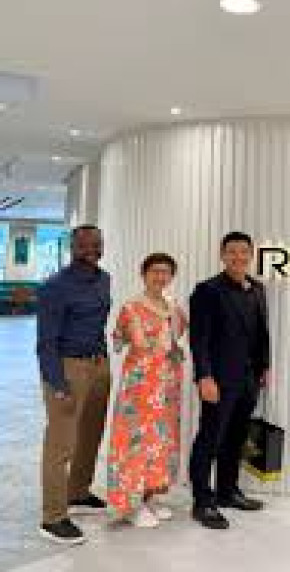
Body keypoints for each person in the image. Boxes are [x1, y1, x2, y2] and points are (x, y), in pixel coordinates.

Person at [189, 231, 271, 530]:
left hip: (249, 378)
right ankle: (202, 501)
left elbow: (262, 332)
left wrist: (265, 366)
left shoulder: (257, 289)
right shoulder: (207, 290)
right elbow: (199, 339)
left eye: (243, 251)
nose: (238, 257)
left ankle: (228, 491)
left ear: (251, 255)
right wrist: (204, 376)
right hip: (219, 380)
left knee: (236, 438)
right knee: (210, 439)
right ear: (222, 255)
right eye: (232, 251)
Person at [37, 225, 111, 545]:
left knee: (90, 435)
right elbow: (46, 342)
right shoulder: (54, 287)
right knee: (61, 443)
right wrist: (57, 384)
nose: (90, 249)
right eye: (83, 244)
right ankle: (53, 517)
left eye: (96, 244)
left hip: (99, 365)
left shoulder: (105, 279)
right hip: (67, 368)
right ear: (72, 247)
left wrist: (104, 357)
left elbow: (98, 323)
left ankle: (78, 492)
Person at [106, 253, 187, 528]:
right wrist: (127, 335)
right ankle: (130, 504)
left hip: (167, 383)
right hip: (140, 385)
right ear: (143, 274)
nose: (160, 277)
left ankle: (149, 496)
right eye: (155, 271)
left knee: (161, 439)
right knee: (136, 440)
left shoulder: (172, 306)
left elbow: (178, 336)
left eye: (166, 272)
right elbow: (118, 340)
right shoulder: (131, 307)